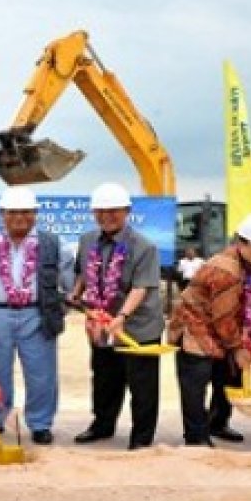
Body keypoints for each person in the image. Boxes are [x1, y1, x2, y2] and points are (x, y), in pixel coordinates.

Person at [0, 186, 73, 445]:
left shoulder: (53, 242)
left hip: (37, 314)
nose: (19, 217)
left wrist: (60, 308)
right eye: (13, 212)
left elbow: (69, 279)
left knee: (42, 373)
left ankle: (41, 424)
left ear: (36, 214)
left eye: (26, 212)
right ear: (2, 214)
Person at [168, 213, 251, 446]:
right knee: (195, 384)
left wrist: (249, 341)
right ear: (241, 243)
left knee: (230, 377)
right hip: (197, 328)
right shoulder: (225, 269)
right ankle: (196, 436)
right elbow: (224, 317)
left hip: (231, 329)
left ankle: (218, 423)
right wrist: (237, 347)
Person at [69, 182, 165, 450]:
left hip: (138, 326)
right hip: (101, 324)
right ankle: (102, 425)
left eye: (113, 211)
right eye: (100, 211)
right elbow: (83, 272)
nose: (106, 216)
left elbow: (141, 287)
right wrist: (76, 293)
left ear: (127, 212)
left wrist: (121, 316)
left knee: (142, 386)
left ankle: (142, 437)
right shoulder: (87, 240)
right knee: (103, 378)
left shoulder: (144, 246)